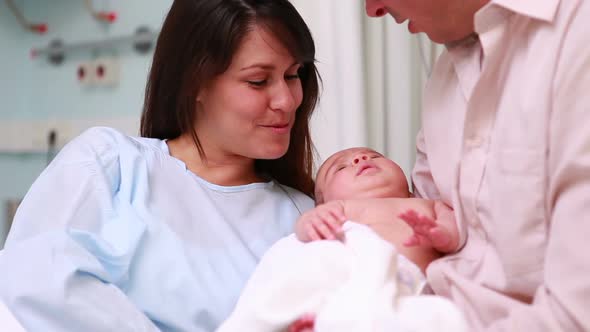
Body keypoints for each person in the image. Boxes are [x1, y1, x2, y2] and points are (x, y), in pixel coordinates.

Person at [0, 0, 320, 331]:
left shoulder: (307, 217)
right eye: (257, 81)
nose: (286, 100)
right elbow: (38, 276)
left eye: (292, 75)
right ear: (196, 81)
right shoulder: (110, 165)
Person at [365, 0, 590, 331]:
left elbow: (576, 316)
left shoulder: (576, 38)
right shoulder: (446, 77)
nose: (373, 10)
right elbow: (418, 239)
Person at [218, 147, 467, 332]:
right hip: (348, 271)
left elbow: (457, 233)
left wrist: (440, 235)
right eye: (340, 167)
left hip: (404, 284)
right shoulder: (337, 210)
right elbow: (305, 237)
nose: (360, 159)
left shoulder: (427, 205)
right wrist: (313, 222)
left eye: (374, 155)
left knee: (440, 316)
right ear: (322, 200)